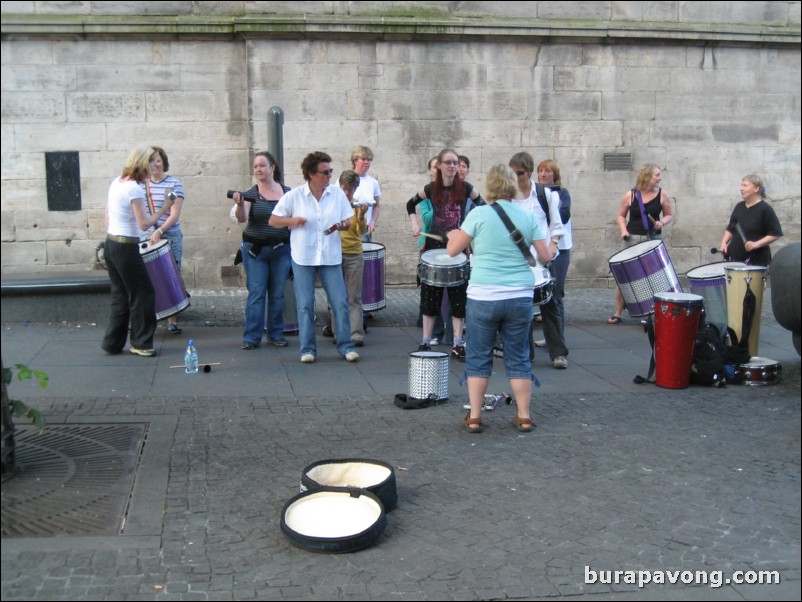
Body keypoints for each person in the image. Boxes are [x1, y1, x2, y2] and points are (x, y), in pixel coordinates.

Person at [447, 164, 554, 433]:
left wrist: (453, 236)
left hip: (483, 295)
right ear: (512, 185)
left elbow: (452, 251)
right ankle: (524, 415)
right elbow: (545, 256)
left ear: (490, 186)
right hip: (519, 296)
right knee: (518, 357)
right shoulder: (527, 215)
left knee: (479, 356)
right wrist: (553, 244)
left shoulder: (479, 214)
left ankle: (474, 416)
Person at [269, 151, 359, 363]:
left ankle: (346, 346)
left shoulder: (336, 194)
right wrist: (293, 221)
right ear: (311, 174)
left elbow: (348, 220)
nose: (329, 176)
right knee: (305, 304)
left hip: (330, 256)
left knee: (340, 302)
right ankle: (307, 349)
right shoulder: (295, 196)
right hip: (304, 256)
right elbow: (273, 220)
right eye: (325, 172)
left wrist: (343, 224)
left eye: (330, 172)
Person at [407, 148, 483, 360]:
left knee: (459, 297)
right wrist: (415, 224)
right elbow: (410, 204)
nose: (452, 166)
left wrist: (468, 230)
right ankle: (425, 341)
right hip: (433, 247)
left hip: (458, 247)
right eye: (448, 162)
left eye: (455, 163)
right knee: (430, 296)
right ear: (439, 166)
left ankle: (458, 343)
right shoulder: (430, 189)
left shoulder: (467, 188)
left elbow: (483, 206)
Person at [101, 147, 174, 357]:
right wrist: (164, 207)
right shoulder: (134, 189)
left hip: (111, 244)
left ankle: (112, 343)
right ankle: (141, 343)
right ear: (143, 163)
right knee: (143, 293)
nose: (153, 168)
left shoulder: (117, 181)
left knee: (120, 294)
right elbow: (144, 224)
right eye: (151, 163)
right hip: (125, 246)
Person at [509, 152, 569, 369]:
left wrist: (552, 247)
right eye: (513, 173)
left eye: (520, 173)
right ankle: (526, 353)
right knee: (521, 306)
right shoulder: (509, 197)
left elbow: (557, 225)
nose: (516, 178)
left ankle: (558, 353)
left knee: (550, 306)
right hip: (519, 259)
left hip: (543, 258)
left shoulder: (545, 195)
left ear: (529, 172)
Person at [231, 151, 292, 350]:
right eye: (256, 166)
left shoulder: (287, 192)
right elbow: (242, 219)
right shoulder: (251, 193)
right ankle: (251, 337)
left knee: (277, 295)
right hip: (255, 252)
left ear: (272, 168)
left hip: (281, 250)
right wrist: (240, 205)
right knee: (257, 294)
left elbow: (293, 220)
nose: (258, 169)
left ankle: (275, 334)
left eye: (262, 165)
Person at [608, 163, 674, 324]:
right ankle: (618, 312)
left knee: (653, 276)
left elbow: (669, 215)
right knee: (625, 277)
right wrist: (623, 230)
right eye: (657, 175)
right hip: (632, 238)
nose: (660, 178)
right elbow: (621, 215)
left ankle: (649, 312)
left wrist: (661, 223)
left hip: (652, 239)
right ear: (647, 176)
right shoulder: (631, 195)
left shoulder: (662, 194)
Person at [324, 170, 368, 346]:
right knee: (336, 297)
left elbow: (361, 231)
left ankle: (356, 333)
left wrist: (362, 215)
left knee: (353, 297)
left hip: (354, 254)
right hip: (334, 254)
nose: (346, 193)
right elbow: (326, 229)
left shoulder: (356, 206)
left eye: (350, 190)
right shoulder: (330, 204)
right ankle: (339, 332)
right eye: (344, 189)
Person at [146, 147, 186, 335]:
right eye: (151, 160)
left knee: (172, 274)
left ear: (164, 162)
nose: (155, 164)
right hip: (149, 236)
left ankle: (172, 320)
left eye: (158, 160)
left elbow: (174, 214)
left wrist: (161, 230)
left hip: (169, 234)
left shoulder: (174, 185)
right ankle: (150, 317)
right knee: (149, 277)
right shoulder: (142, 186)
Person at [537, 159, 573, 338]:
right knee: (543, 294)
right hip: (542, 248)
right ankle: (549, 336)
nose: (543, 174)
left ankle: (558, 338)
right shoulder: (536, 193)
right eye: (541, 171)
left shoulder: (562, 194)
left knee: (556, 294)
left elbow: (564, 217)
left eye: (548, 171)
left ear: (555, 174)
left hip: (561, 249)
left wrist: (550, 204)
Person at [719, 174, 783, 267]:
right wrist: (724, 243)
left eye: (745, 185)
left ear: (756, 188)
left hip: (755, 261)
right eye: (741, 185)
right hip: (734, 260)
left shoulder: (765, 209)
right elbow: (731, 228)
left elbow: (775, 234)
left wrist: (755, 244)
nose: (741, 188)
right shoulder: (739, 206)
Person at [350, 145, 381, 241]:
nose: (366, 162)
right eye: (363, 159)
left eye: (369, 159)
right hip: (349, 228)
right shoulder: (345, 179)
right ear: (355, 160)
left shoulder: (373, 182)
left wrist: (372, 222)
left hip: (365, 229)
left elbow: (377, 205)